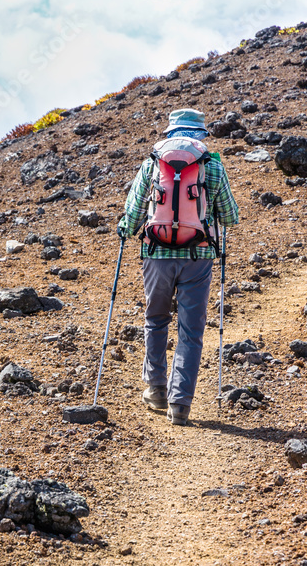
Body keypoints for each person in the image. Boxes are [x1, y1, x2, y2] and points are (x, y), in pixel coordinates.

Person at [116, 108, 239, 426]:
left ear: (171, 132)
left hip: (156, 253)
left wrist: (126, 229)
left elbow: (131, 216)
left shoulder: (152, 163)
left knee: (155, 320)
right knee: (191, 332)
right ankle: (180, 405)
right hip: (197, 257)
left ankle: (156, 389)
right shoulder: (211, 166)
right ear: (201, 134)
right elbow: (230, 216)